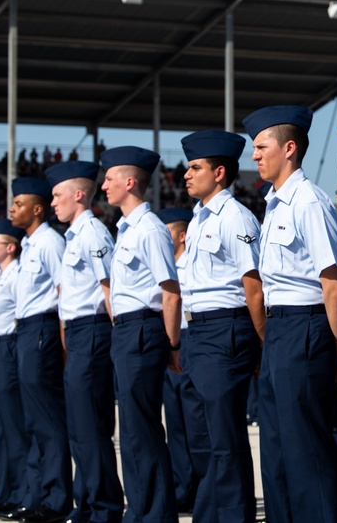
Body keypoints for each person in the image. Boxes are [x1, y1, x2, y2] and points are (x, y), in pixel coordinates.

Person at [244, 105, 337, 523]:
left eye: (261, 146)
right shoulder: (275, 205)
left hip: (307, 326)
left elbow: (332, 282)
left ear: (288, 148)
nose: (254, 156)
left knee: (307, 448)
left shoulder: (309, 202)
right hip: (282, 330)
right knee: (278, 447)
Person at [179, 130, 263, 523]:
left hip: (225, 331)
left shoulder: (234, 217)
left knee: (225, 439)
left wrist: (262, 343)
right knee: (206, 437)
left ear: (219, 172)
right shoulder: (199, 218)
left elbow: (253, 287)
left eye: (195, 167)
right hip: (199, 333)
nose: (186, 174)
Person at [100, 146, 182, 522]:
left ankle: (154, 514)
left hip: (142, 330)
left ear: (130, 182)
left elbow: (170, 291)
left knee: (143, 430)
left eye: (110, 179)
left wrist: (172, 344)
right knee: (131, 431)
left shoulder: (149, 230)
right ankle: (142, 510)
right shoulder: (127, 229)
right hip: (126, 330)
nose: (104, 186)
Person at [46, 160, 124, 523]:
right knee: (79, 427)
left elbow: (109, 290)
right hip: (77, 334)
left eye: (57, 195)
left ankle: (104, 507)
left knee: (92, 427)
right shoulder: (73, 235)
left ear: (78, 195)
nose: (52, 203)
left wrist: (114, 340)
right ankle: (88, 502)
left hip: (94, 331)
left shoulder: (93, 233)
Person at [4, 176, 71, 523]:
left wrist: (62, 346)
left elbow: (64, 293)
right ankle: (36, 494)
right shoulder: (29, 244)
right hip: (25, 330)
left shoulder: (49, 243)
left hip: (43, 329)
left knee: (47, 419)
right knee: (33, 419)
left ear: (37, 209)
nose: (12, 209)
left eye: (18, 204)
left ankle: (57, 499)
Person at [156, 207, 205, 514]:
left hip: (188, 338)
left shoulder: (191, 263)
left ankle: (200, 488)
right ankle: (182, 485)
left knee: (194, 420)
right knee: (174, 421)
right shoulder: (166, 265)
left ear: (182, 236)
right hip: (170, 341)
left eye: (168, 232)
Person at [0, 219, 30, 517]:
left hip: (9, 345)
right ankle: (5, 487)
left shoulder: (16, 275)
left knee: (14, 424)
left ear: (10, 247)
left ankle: (21, 489)